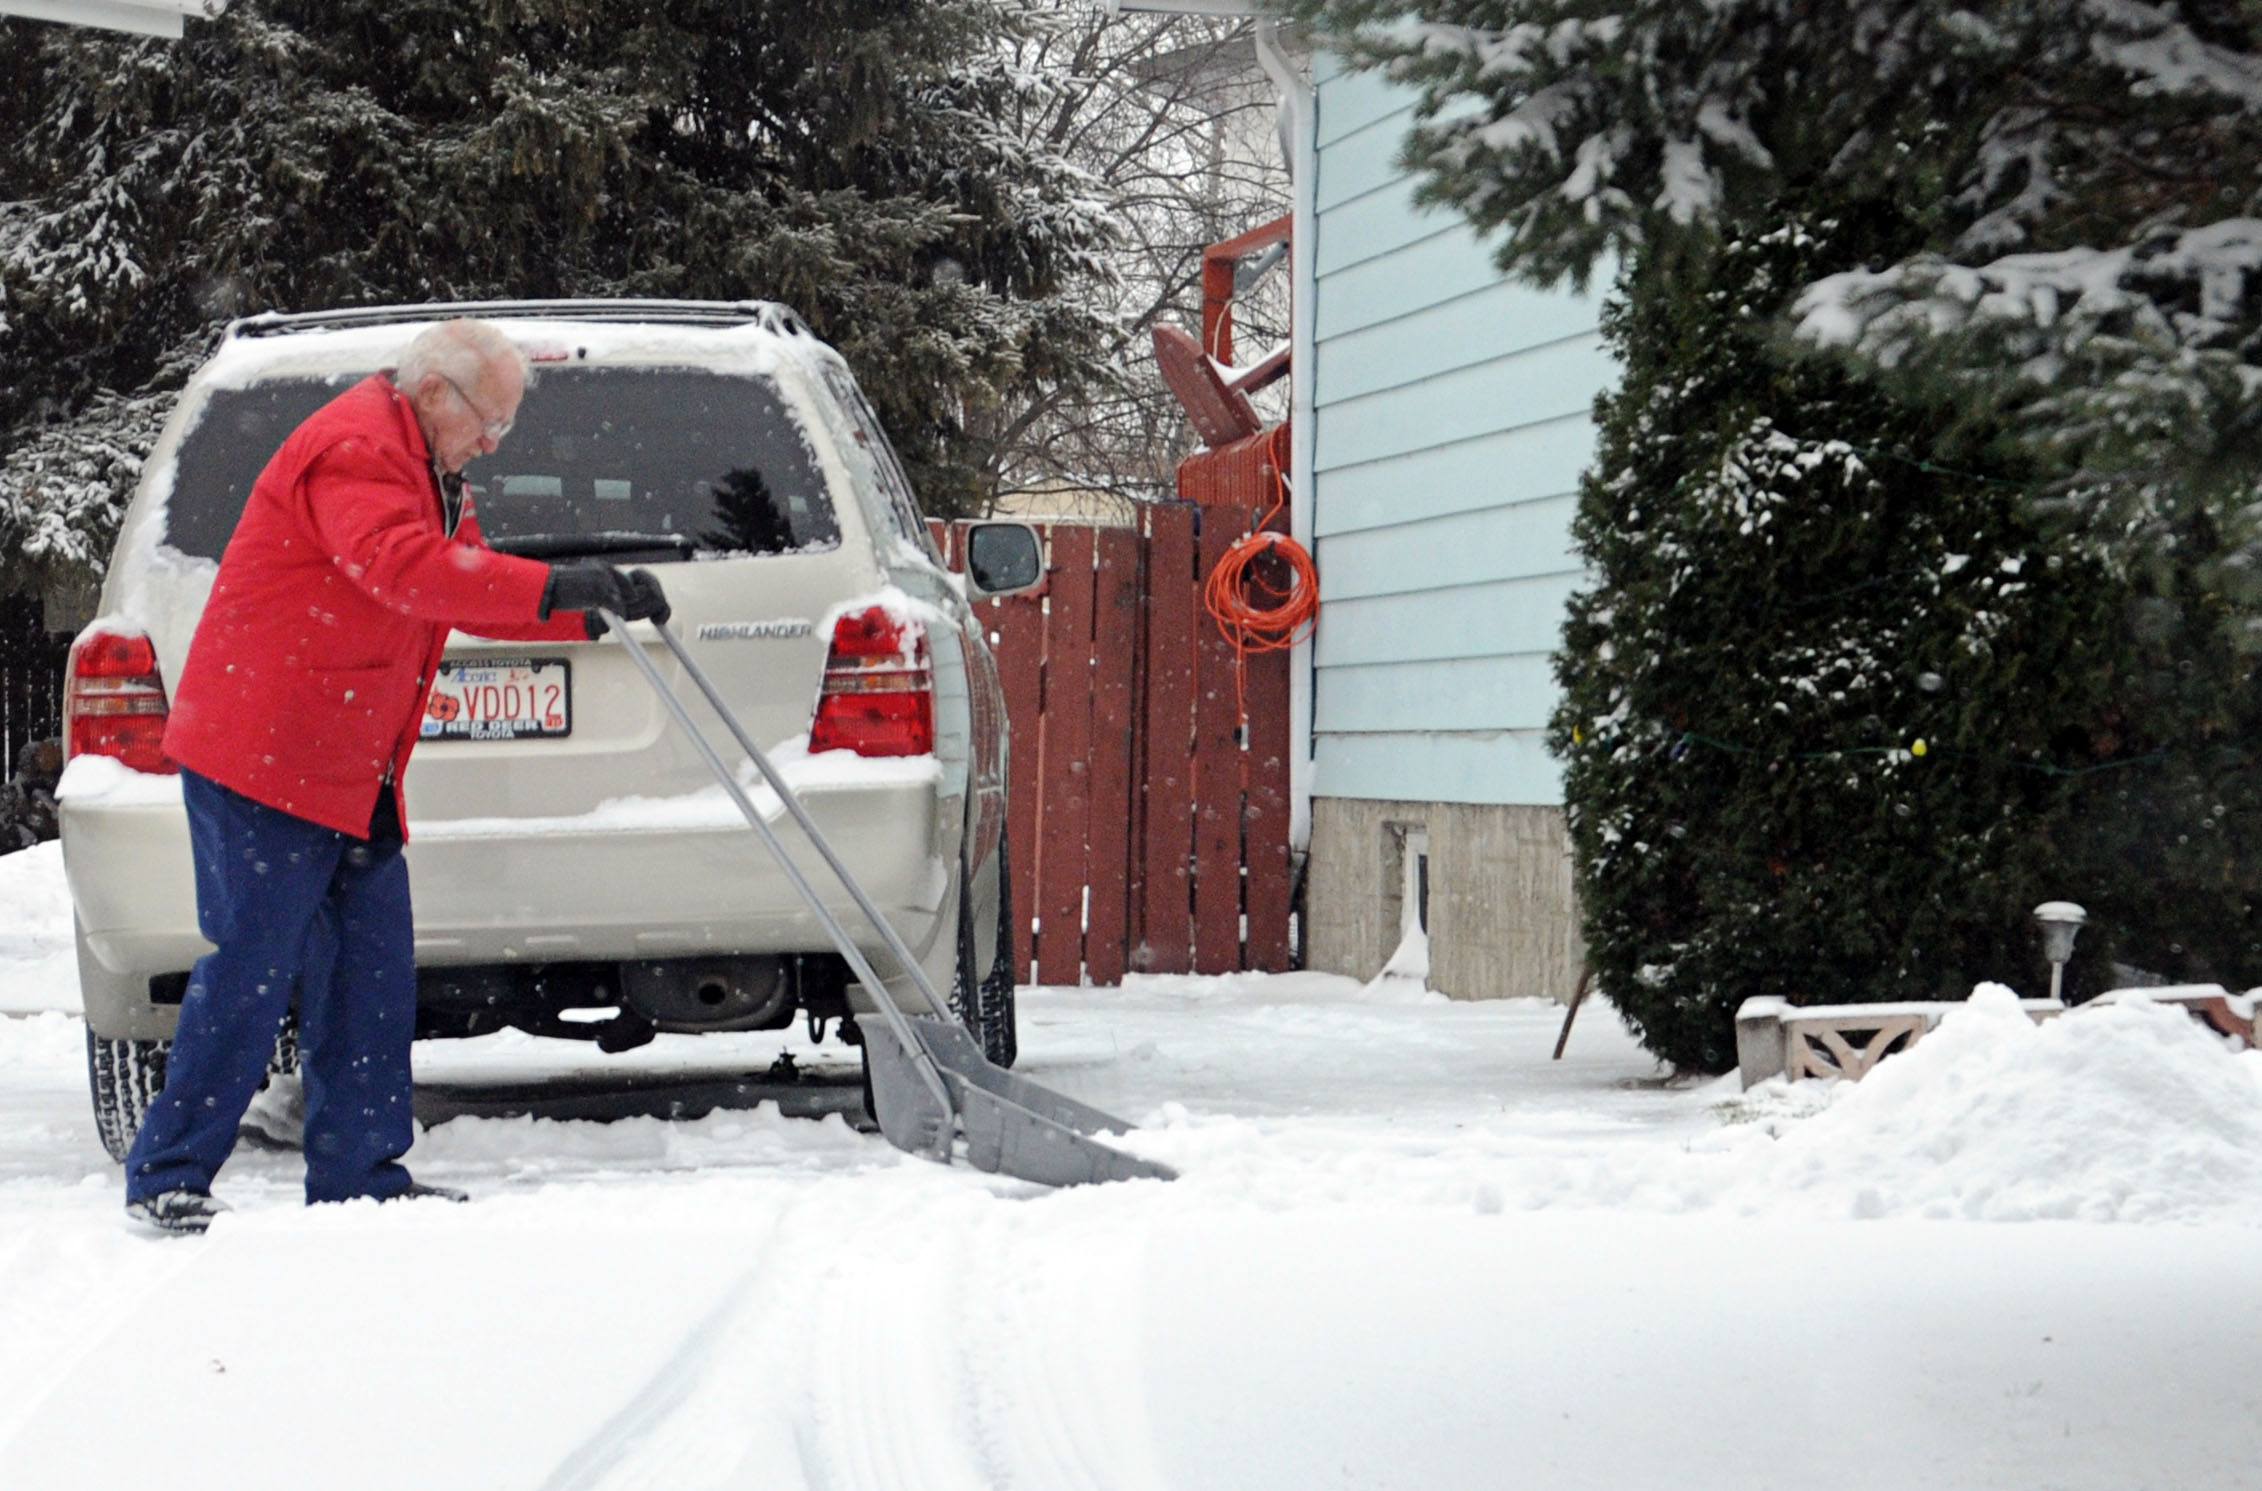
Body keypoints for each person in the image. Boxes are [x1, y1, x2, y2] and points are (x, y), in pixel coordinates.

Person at [123, 318, 670, 1234]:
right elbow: (407, 571)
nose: (495, 443)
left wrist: (588, 604)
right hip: (267, 759)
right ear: (432, 395)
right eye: (489, 422)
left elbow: (467, 580)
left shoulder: (430, 470)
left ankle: (360, 1174)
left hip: (349, 764)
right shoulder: (355, 450)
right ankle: (167, 1177)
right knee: (252, 975)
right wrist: (554, 588)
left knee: (369, 977)